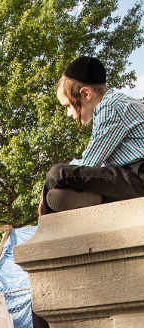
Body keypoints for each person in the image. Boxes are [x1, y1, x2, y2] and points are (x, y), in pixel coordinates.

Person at [40, 55, 144, 214]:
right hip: (130, 177)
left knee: (57, 173)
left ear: (86, 94)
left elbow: (89, 163)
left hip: (139, 175)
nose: (69, 114)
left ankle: (47, 232)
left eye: (68, 106)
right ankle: (96, 198)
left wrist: (48, 185)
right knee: (59, 193)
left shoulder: (111, 107)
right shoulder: (119, 103)